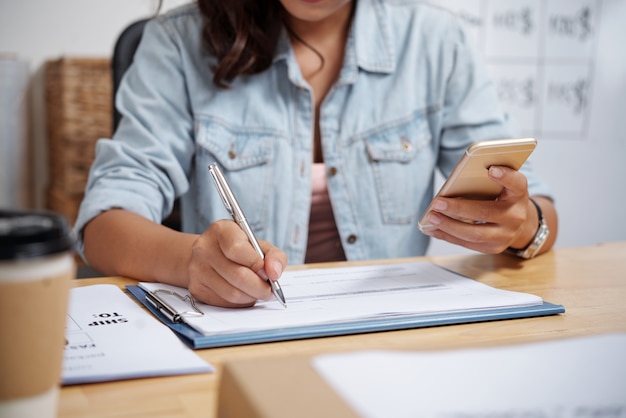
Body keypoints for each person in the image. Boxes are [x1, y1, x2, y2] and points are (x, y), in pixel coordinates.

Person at [75, 0, 558, 308]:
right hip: (242, 342)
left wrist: (523, 224)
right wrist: (192, 260)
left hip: (395, 339)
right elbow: (103, 225)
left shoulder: (435, 41)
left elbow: (540, 213)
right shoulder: (177, 42)